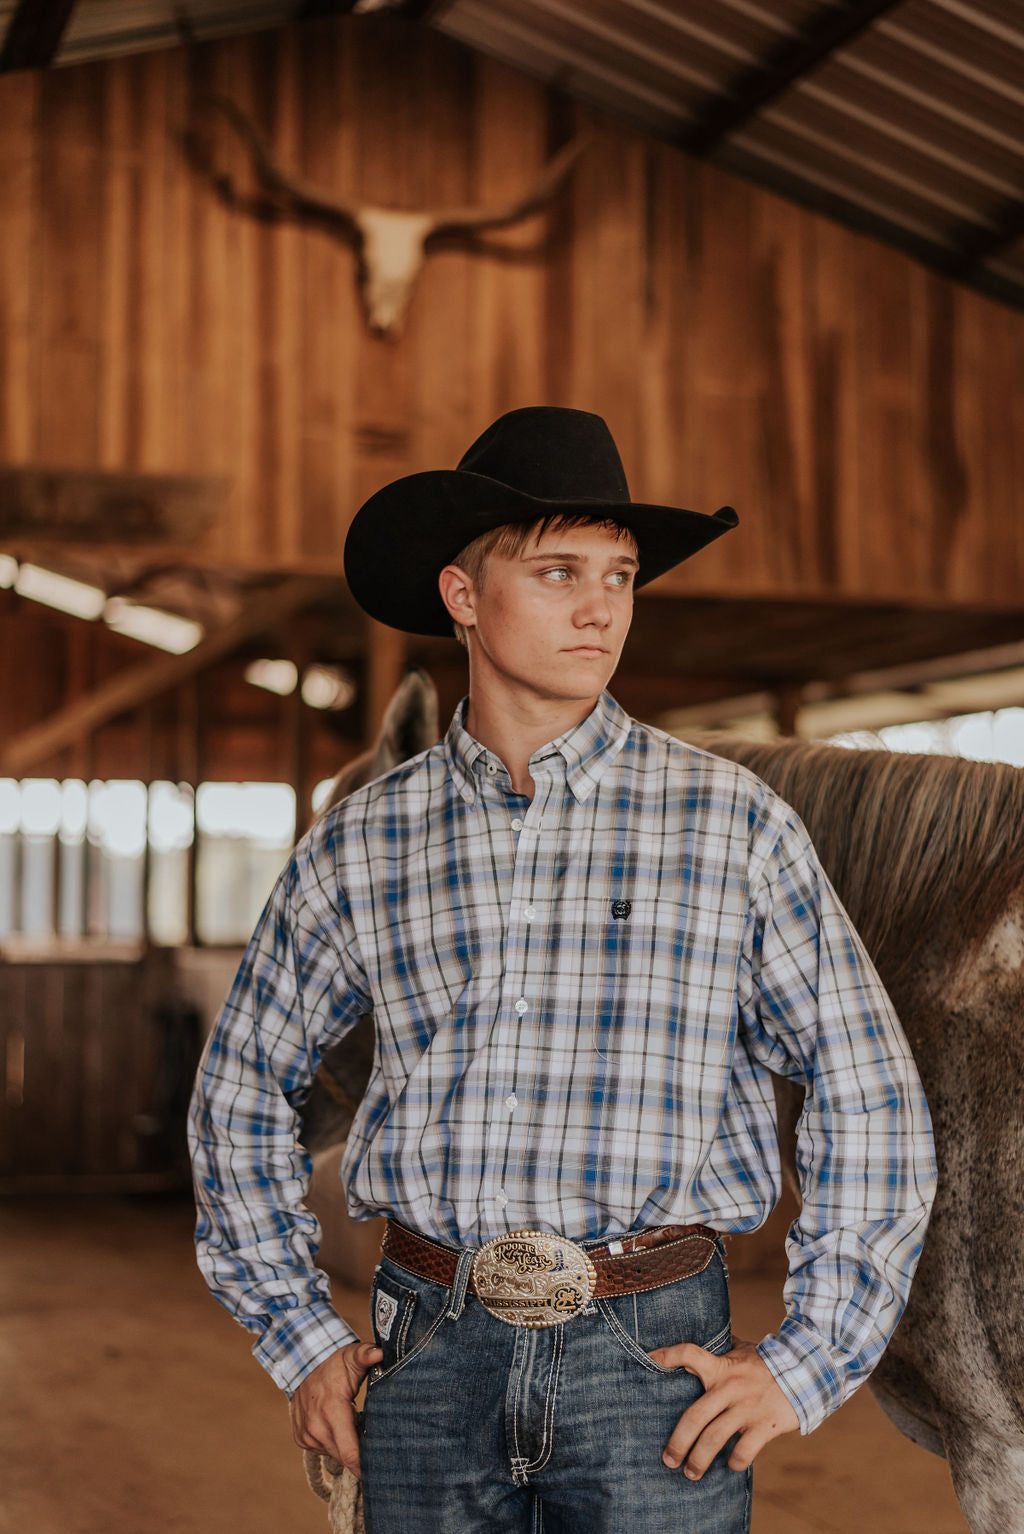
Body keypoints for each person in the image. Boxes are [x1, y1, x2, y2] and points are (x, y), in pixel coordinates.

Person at [188, 406, 936, 1533]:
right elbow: (240, 1087)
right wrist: (296, 1333)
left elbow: (868, 1088)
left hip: (652, 1361)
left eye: (619, 576)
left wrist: (807, 1358)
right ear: (462, 595)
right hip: (426, 1352)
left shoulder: (732, 826)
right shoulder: (361, 843)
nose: (601, 607)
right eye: (558, 572)